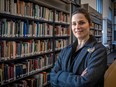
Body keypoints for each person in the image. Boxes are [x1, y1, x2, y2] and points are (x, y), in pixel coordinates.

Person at [50, 7, 107, 87]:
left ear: (90, 24)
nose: (77, 27)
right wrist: (77, 79)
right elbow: (52, 76)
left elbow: (85, 84)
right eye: (74, 24)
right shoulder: (66, 49)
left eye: (81, 23)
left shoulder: (99, 51)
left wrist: (59, 75)